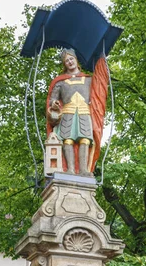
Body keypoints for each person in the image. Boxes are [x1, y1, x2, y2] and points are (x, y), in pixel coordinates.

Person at [46, 48, 108, 176]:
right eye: (66, 60)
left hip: (84, 112)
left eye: (71, 59)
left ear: (76, 60)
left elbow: (98, 92)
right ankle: (70, 169)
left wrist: (102, 63)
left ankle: (84, 170)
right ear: (64, 64)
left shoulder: (89, 79)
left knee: (85, 139)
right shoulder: (60, 82)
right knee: (67, 140)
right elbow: (53, 99)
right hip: (67, 113)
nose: (69, 62)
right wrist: (54, 104)